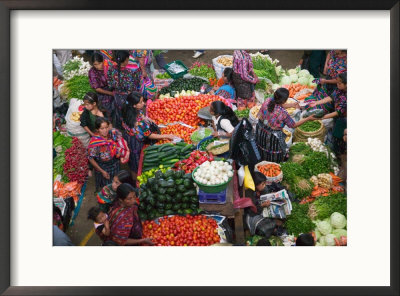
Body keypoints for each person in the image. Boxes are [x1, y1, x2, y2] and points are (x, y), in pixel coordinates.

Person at [121, 92, 177, 181]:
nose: (143, 103)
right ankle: (135, 181)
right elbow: (149, 135)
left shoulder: (128, 110)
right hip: (135, 142)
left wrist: (147, 119)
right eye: (140, 102)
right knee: (136, 163)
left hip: (129, 136)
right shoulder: (138, 122)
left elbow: (141, 116)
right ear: (134, 105)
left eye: (143, 101)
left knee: (133, 161)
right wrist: (167, 136)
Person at [256, 88, 315, 163]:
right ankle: (273, 163)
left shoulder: (268, 100)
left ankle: (262, 159)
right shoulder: (283, 113)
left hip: (261, 130)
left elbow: (276, 106)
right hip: (273, 137)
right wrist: (308, 118)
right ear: (284, 101)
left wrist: (291, 105)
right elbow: (293, 125)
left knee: (262, 146)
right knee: (273, 152)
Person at [308, 72, 347, 155]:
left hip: (343, 119)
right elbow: (330, 97)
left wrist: (321, 117)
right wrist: (316, 103)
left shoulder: (346, 97)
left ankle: (337, 153)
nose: (337, 84)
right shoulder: (339, 89)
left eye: (340, 83)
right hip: (337, 116)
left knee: (339, 136)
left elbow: (337, 113)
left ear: (346, 84)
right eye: (337, 82)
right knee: (335, 132)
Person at [88, 117, 125, 192]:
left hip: (115, 164)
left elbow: (121, 141)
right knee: (107, 188)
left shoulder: (112, 134)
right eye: (102, 128)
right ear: (97, 129)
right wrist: (102, 171)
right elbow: (91, 158)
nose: (105, 130)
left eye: (106, 127)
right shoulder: (94, 143)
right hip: (103, 168)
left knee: (117, 184)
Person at [107, 50, 141, 129]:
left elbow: (110, 85)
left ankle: (120, 127)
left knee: (119, 114)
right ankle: (129, 129)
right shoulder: (128, 72)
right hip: (127, 97)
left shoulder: (111, 69)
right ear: (126, 60)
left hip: (116, 97)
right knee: (128, 114)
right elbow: (132, 87)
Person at [244, 172, 284, 239]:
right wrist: (262, 205)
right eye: (262, 184)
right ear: (256, 184)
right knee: (263, 228)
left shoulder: (260, 189)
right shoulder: (249, 194)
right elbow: (251, 212)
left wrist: (272, 195)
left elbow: (265, 194)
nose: (264, 185)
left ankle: (273, 225)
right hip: (252, 214)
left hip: (261, 207)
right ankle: (273, 226)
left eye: (265, 183)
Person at [88, 52, 115, 119]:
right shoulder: (92, 72)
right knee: (107, 110)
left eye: (99, 63)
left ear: (103, 61)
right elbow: (97, 88)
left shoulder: (108, 66)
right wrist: (111, 93)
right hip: (102, 93)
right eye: (95, 64)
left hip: (112, 89)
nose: (97, 66)